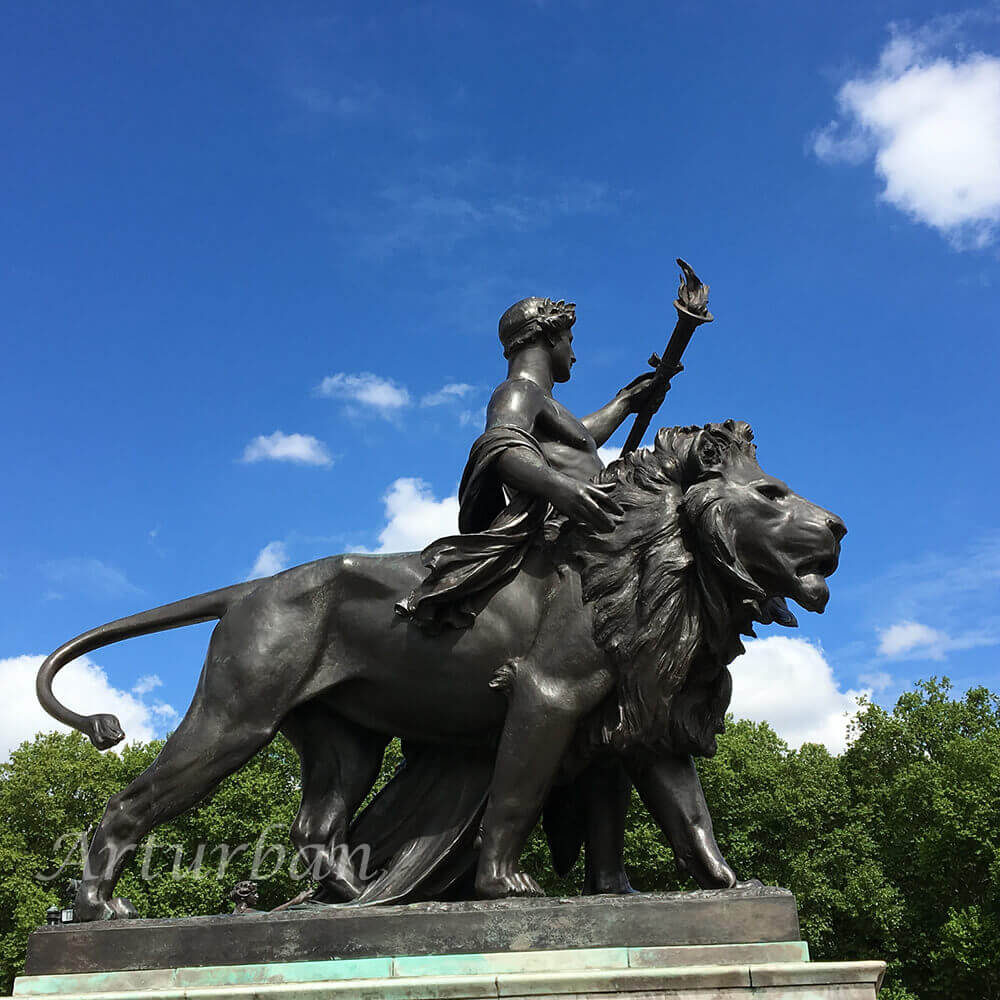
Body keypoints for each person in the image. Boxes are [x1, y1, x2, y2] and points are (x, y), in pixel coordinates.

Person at [396, 296, 675, 630]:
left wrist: (626, 401)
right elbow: (501, 447)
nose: (574, 354)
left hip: (593, 530)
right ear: (551, 337)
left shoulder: (545, 403)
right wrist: (560, 486)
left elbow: (579, 439)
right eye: (570, 341)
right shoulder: (517, 391)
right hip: (566, 538)